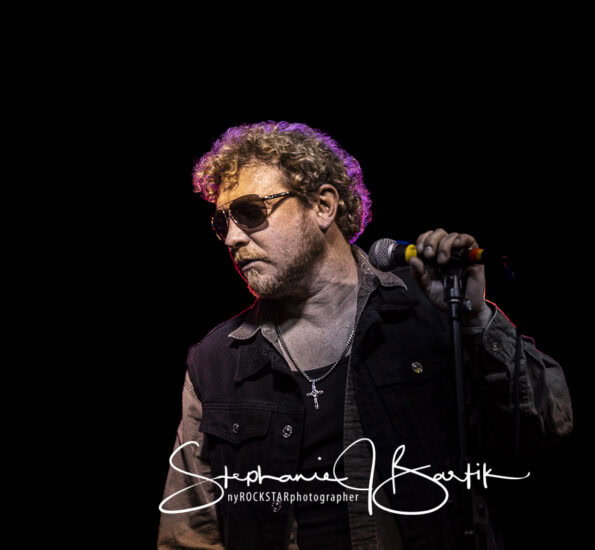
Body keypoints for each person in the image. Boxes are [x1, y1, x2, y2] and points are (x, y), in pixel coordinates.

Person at [157, 121, 573, 550]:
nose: (231, 237)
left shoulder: (433, 312)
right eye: (222, 221)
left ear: (323, 205)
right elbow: (188, 533)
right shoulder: (214, 361)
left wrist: (474, 318)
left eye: (250, 211)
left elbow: (548, 423)